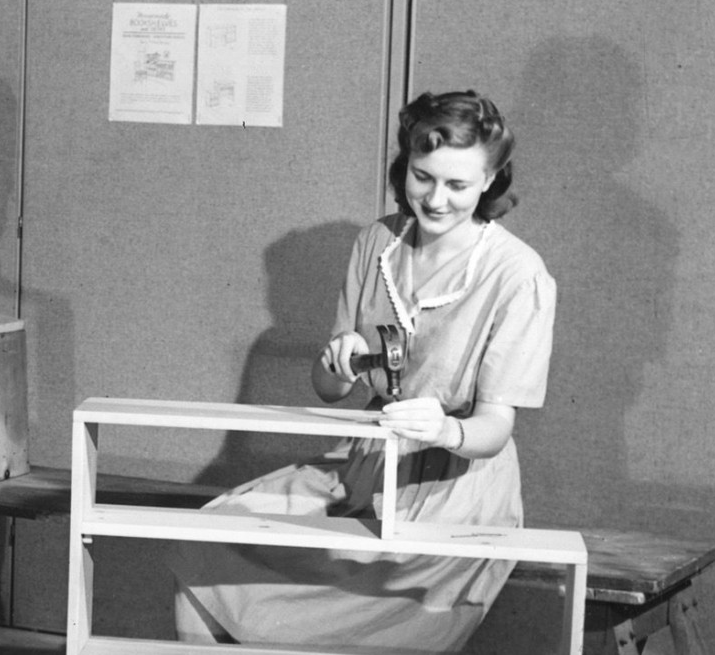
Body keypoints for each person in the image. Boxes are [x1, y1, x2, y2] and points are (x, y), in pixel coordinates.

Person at [166, 90, 556, 652]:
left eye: (458, 186)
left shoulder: (517, 275)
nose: (437, 200)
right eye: (423, 178)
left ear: (491, 181)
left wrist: (445, 428)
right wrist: (338, 363)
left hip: (456, 493)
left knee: (351, 620)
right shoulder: (377, 243)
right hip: (364, 470)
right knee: (209, 536)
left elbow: (495, 427)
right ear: (405, 168)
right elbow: (329, 390)